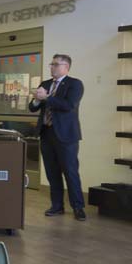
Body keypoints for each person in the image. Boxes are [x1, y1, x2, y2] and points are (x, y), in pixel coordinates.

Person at [29, 53, 86, 221]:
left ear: (66, 67)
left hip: (66, 136)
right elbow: (33, 108)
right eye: (51, 64)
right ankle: (57, 206)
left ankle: (78, 207)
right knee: (52, 172)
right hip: (46, 133)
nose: (52, 67)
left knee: (70, 171)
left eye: (56, 64)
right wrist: (37, 100)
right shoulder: (45, 84)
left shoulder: (74, 84)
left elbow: (69, 106)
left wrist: (47, 97)